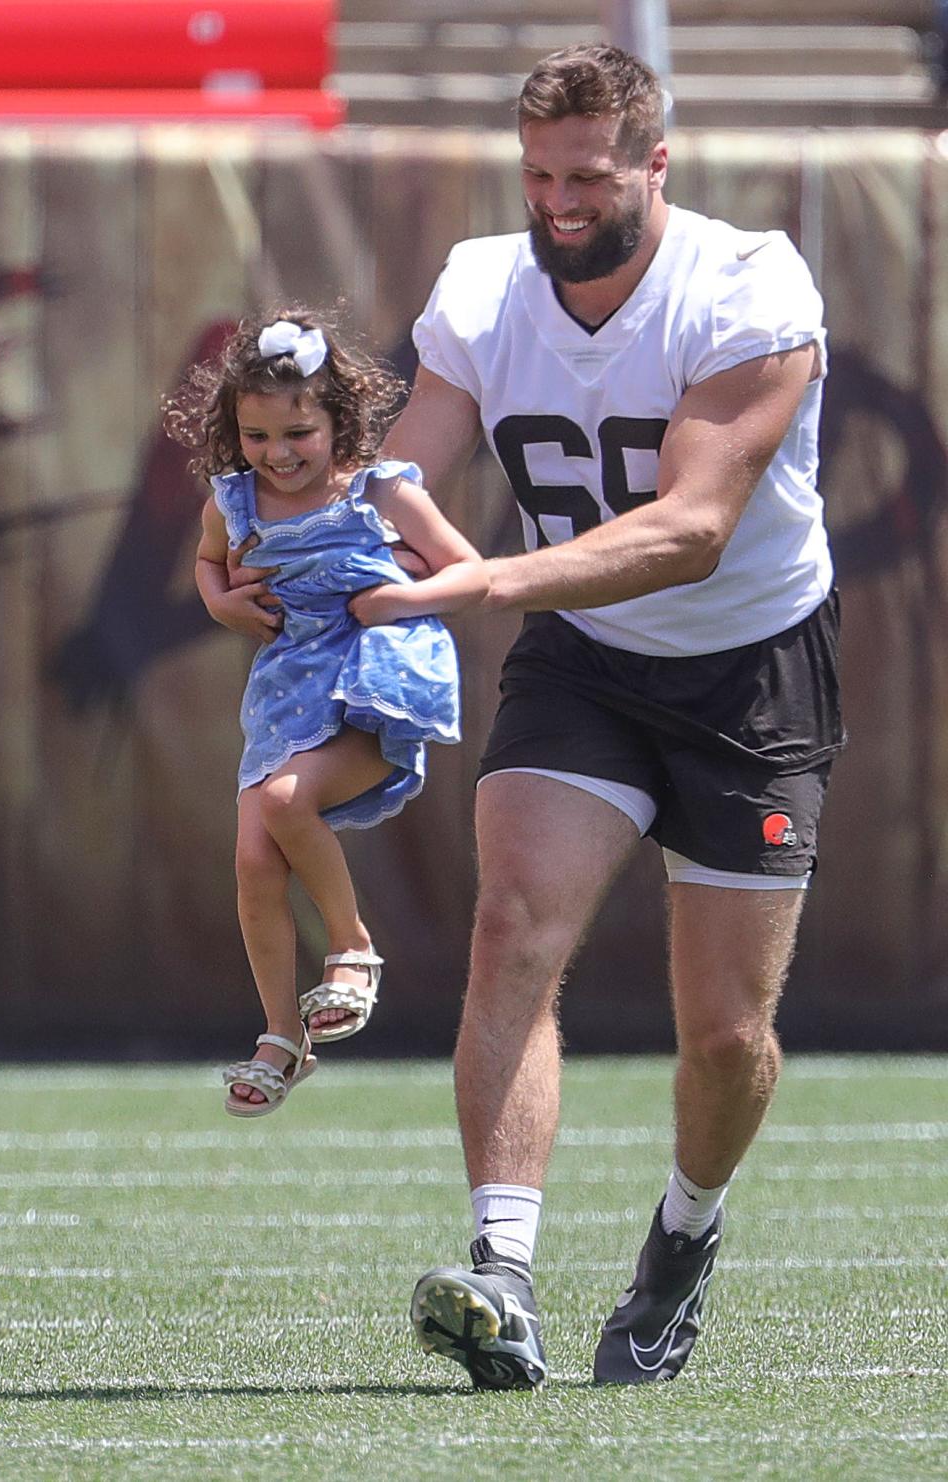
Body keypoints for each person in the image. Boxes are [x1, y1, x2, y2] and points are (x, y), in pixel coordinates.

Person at [385, 45, 844, 1389]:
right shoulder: (482, 284)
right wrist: (300, 551)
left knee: (724, 1033)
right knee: (513, 921)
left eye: (588, 174)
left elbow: (694, 528)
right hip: (582, 656)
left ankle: (684, 1236)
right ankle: (502, 1273)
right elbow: (415, 464)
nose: (558, 201)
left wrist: (487, 577)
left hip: (749, 670)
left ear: (656, 163)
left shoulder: (749, 284)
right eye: (537, 174)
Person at [164, 310, 488, 1117]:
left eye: (298, 432)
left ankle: (351, 947)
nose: (278, 453)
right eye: (258, 435)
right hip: (289, 688)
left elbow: (474, 577)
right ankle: (283, 1034)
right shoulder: (232, 502)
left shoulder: (382, 491)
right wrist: (225, 606)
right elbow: (210, 566)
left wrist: (396, 599)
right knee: (252, 858)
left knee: (284, 802)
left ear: (340, 420)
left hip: (379, 680)